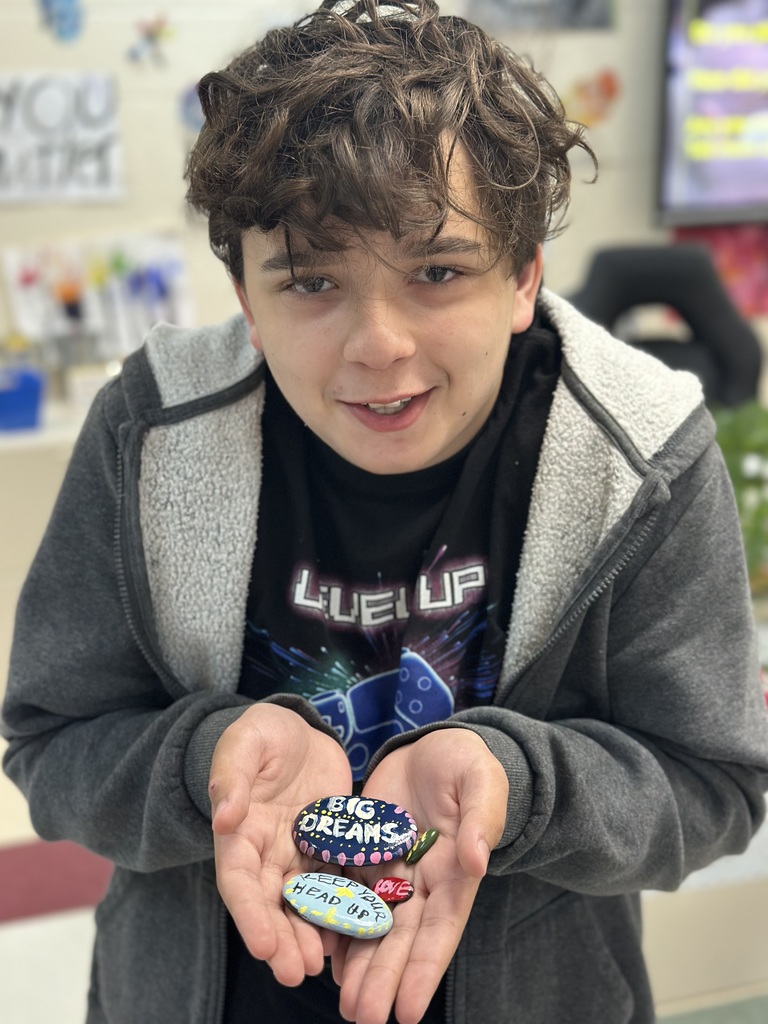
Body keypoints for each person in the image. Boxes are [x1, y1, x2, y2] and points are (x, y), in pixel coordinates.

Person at [3, 2, 768, 1022]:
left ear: (524, 273)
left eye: (438, 271)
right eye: (311, 280)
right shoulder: (150, 432)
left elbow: (714, 784)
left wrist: (518, 779)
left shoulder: (642, 452)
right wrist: (205, 760)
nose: (380, 344)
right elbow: (53, 739)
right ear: (245, 292)